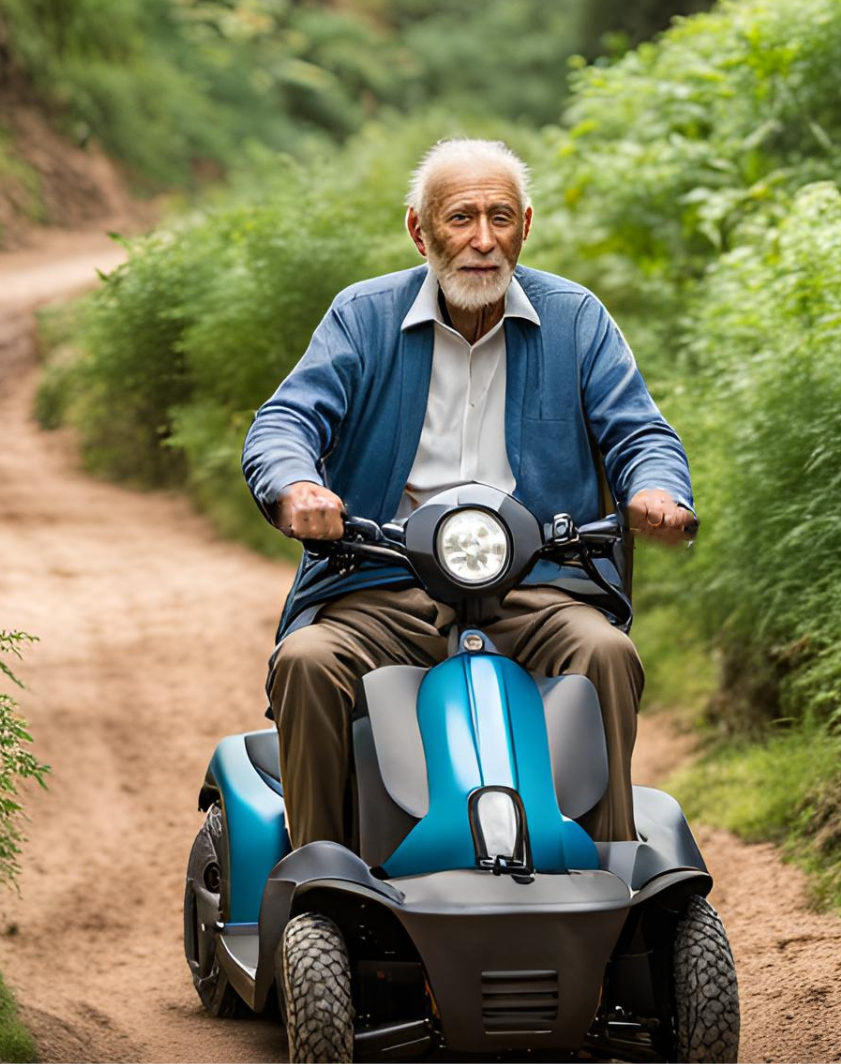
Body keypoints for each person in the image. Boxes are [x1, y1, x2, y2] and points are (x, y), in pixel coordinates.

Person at [241, 138, 695, 851]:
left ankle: (613, 872)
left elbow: (639, 432)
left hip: (537, 585)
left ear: (527, 226)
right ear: (420, 230)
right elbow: (287, 420)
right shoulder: (362, 317)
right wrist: (296, 483)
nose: (483, 241)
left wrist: (658, 490)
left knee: (606, 652)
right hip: (383, 583)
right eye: (460, 218)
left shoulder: (576, 319)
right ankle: (320, 882)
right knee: (307, 662)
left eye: (501, 217)